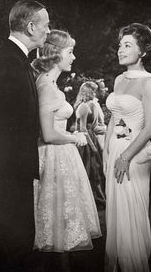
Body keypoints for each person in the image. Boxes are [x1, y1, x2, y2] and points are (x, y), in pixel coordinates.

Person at [0, 0, 50, 272]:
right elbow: (2, 123)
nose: (48, 31)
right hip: (8, 172)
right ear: (30, 26)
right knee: (10, 245)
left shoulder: (12, 59)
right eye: (46, 25)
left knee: (12, 244)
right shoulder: (10, 62)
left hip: (9, 169)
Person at [32, 30, 101, 258]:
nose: (73, 57)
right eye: (70, 52)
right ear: (54, 54)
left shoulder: (48, 83)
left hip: (59, 155)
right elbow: (48, 134)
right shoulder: (47, 87)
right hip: (53, 156)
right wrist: (75, 137)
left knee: (61, 223)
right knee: (54, 225)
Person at [104, 23, 151, 272]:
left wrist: (126, 156)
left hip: (134, 156)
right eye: (120, 45)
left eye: (127, 45)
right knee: (116, 216)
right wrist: (108, 149)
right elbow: (115, 118)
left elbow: (150, 128)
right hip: (116, 153)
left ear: (143, 51)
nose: (121, 49)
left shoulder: (150, 82)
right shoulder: (119, 79)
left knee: (132, 215)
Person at [74, 81, 106, 206]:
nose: (95, 93)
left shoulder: (89, 104)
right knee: (91, 168)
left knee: (96, 168)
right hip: (87, 140)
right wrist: (93, 147)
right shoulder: (84, 107)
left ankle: (100, 198)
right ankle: (96, 199)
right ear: (87, 92)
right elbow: (83, 129)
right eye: (93, 91)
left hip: (91, 137)